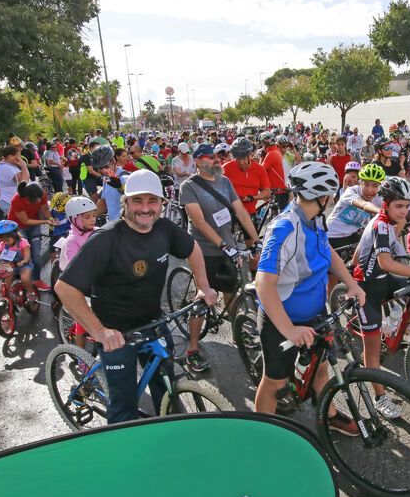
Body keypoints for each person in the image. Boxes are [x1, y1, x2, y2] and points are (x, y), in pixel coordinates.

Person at [56, 170, 219, 424]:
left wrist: (204, 286)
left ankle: (170, 436)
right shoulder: (106, 238)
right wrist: (100, 333)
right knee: (123, 407)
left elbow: (193, 248)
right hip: (115, 334)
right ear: (126, 203)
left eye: (152, 201)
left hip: (153, 322)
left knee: (167, 387)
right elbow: (64, 288)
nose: (146, 208)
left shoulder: (164, 228)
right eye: (138, 201)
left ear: (162, 204)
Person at [254, 161, 365, 435]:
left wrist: (351, 283)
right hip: (282, 318)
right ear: (322, 196)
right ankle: (260, 433)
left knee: (321, 368)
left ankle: (329, 415)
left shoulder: (315, 219)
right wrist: (289, 329)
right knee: (275, 383)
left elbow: (327, 250)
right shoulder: (284, 229)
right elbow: (263, 284)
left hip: (315, 311)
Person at [353, 177, 410, 419]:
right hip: (367, 287)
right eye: (399, 206)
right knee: (371, 347)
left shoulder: (393, 221)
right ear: (386, 204)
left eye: (407, 205)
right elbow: (385, 262)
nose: (405, 210)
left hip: (383, 279)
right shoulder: (379, 224)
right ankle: (380, 397)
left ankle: (406, 329)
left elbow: (366, 250)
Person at [181, 143, 261, 372]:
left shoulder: (225, 182)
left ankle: (237, 331)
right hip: (204, 249)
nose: (216, 160)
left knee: (232, 290)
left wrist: (255, 241)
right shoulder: (189, 187)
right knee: (203, 298)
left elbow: (241, 213)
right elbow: (199, 222)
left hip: (229, 246)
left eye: (216, 156)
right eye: (208, 157)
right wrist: (222, 244)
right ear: (197, 161)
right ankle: (193, 349)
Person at [327, 162, 385, 253]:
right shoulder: (351, 191)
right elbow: (364, 205)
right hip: (331, 236)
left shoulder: (378, 196)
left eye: (375, 186)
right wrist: (383, 213)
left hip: (351, 235)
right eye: (366, 184)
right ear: (360, 182)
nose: (370, 190)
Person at [0, 220, 39, 310]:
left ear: (15, 235)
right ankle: (8, 303)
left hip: (23, 266)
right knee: (4, 287)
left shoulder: (23, 242)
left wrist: (23, 261)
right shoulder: (3, 244)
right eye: (3, 240)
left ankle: (30, 293)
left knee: (25, 278)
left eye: (7, 240)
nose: (6, 242)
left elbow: (27, 256)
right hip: (10, 267)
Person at [7, 181, 53, 291]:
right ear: (29, 198)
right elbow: (25, 221)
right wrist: (45, 221)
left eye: (40, 198)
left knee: (36, 255)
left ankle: (36, 280)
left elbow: (45, 208)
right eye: (36, 199)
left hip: (34, 224)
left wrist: (51, 219)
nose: (39, 201)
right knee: (24, 255)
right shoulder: (16, 200)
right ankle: (23, 278)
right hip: (18, 227)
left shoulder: (40, 194)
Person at [223, 137, 271, 217]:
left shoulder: (259, 169)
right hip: (230, 213)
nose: (241, 162)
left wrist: (253, 198)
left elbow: (267, 192)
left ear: (250, 155)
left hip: (249, 213)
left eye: (244, 158)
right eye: (238, 159)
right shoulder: (226, 168)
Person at [0, 145, 30, 215]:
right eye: (18, 156)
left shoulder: (5, 165)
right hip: (9, 201)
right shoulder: (7, 168)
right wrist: (23, 165)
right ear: (10, 156)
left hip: (8, 200)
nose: (20, 158)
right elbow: (24, 181)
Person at [261, 134, 288, 208]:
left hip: (277, 192)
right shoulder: (276, 151)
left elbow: (260, 171)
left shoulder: (271, 154)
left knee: (274, 217)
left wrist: (261, 157)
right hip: (282, 190)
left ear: (265, 144)